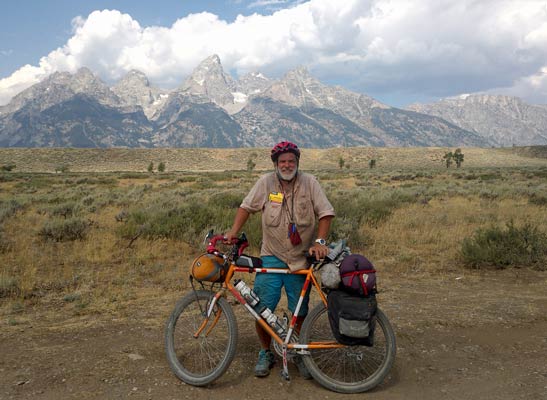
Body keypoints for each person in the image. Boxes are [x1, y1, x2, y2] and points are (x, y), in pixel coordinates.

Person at [225, 141, 335, 378]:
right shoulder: (266, 183)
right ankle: (266, 351)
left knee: (300, 309)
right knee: (262, 307)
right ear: (276, 164)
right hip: (271, 256)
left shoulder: (310, 183)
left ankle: (298, 349)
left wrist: (321, 243)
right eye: (282, 161)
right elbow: (246, 207)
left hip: (300, 258)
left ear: (297, 163)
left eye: (291, 161)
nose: (287, 165)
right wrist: (233, 232)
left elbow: (326, 213)